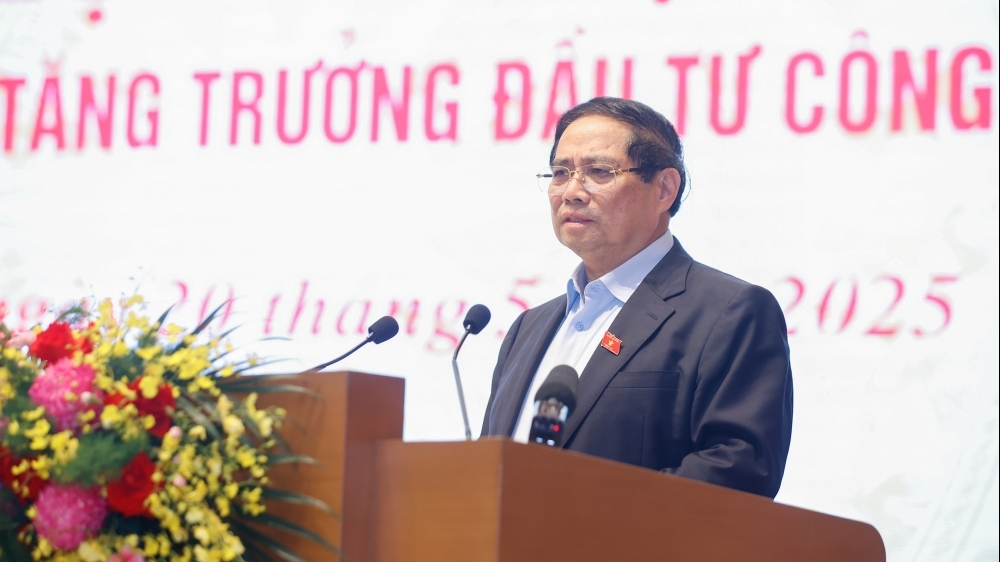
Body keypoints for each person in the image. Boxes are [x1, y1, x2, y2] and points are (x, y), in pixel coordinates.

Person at [480, 97, 793, 499]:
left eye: (598, 172)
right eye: (560, 173)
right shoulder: (527, 328)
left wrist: (582, 517)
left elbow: (738, 470)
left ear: (664, 189)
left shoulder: (730, 313)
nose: (571, 192)